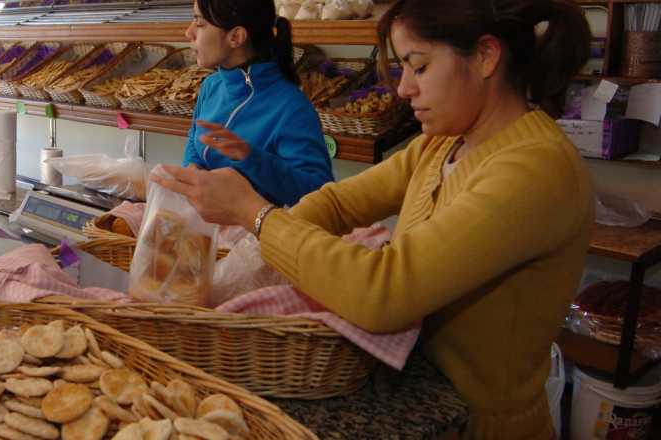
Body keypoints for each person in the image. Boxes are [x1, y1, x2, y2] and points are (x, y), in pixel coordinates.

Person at [154, 0, 592, 437]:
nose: (404, 90)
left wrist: (256, 214)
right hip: (415, 389)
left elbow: (385, 292)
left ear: (485, 56)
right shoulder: (441, 146)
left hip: (476, 423)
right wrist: (253, 244)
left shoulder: (535, 169)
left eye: (418, 67)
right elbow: (338, 203)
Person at [181, 0, 333, 207]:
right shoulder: (211, 86)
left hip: (259, 235)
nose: (188, 32)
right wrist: (193, 169)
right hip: (205, 226)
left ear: (236, 37)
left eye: (199, 23)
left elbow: (318, 192)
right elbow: (194, 138)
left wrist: (250, 157)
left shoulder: (292, 107)